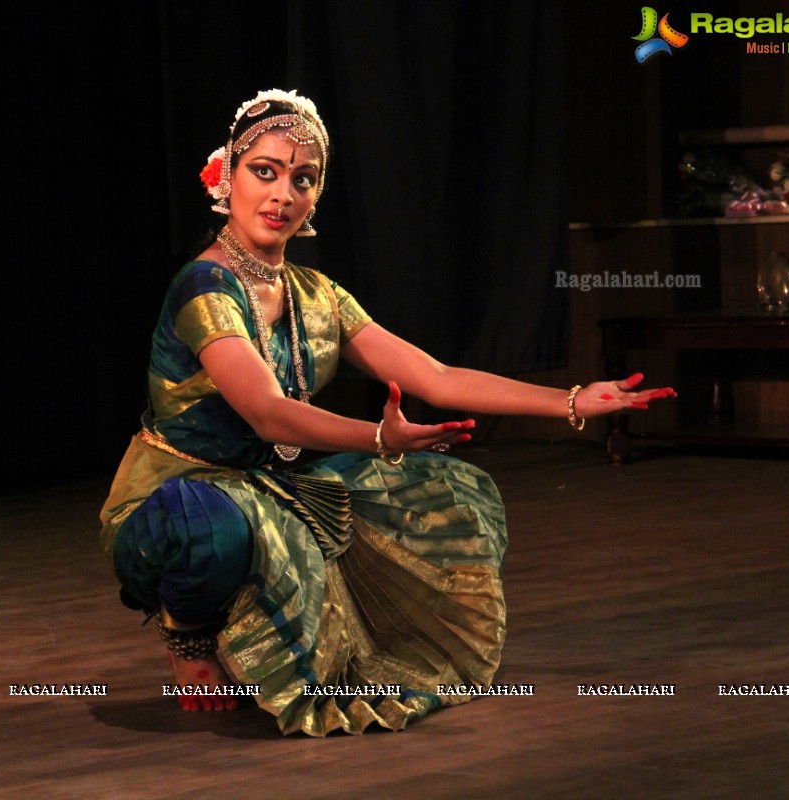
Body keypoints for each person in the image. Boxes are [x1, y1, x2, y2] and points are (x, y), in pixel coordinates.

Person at [99, 89, 674, 736]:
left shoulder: (316, 296)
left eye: (303, 178)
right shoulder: (203, 287)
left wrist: (572, 400)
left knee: (451, 489)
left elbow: (435, 376)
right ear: (225, 176)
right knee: (212, 523)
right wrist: (379, 436)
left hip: (270, 491)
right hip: (172, 500)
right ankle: (190, 639)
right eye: (265, 171)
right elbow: (266, 414)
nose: (282, 193)